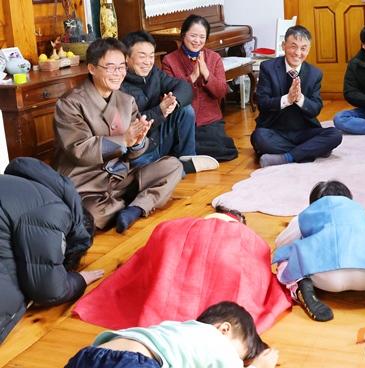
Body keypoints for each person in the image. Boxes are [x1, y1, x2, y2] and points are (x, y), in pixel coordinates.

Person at [72, 206, 291, 333]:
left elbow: (141, 263)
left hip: (159, 313)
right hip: (219, 321)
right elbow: (259, 279)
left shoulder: (169, 227)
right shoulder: (250, 239)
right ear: (240, 222)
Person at [54, 37, 182, 233]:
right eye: (110, 67)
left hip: (121, 177)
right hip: (87, 184)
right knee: (92, 216)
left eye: (122, 67)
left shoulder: (126, 100)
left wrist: (138, 143)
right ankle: (139, 202)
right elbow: (78, 149)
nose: (118, 74)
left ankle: (134, 209)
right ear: (92, 68)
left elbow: (134, 153)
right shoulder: (70, 103)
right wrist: (124, 140)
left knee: (173, 166)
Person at [273, 180, 365, 325]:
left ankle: (300, 286)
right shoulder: (363, 213)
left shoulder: (303, 216)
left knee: (283, 256)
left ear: (313, 202)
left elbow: (281, 243)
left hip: (322, 279)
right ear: (348, 199)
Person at [0, 157, 103, 344]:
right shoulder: (56, 212)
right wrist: (79, 280)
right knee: (17, 294)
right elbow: (48, 290)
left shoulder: (21, 186)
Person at [65, 301, 279, 368]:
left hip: (91, 354)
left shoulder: (178, 329)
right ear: (224, 329)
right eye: (239, 355)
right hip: (135, 363)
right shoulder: (217, 342)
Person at [120, 31, 216, 174]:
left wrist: (173, 102)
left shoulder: (154, 73)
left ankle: (186, 158)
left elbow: (183, 86)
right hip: (138, 153)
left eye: (151, 56)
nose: (148, 61)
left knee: (185, 110)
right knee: (149, 176)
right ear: (126, 58)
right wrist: (160, 110)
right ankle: (174, 169)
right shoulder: (118, 84)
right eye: (142, 56)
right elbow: (132, 125)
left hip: (158, 141)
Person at [250, 25, 343, 168]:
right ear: (283, 46)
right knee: (259, 138)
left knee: (335, 134)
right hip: (275, 131)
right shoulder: (268, 68)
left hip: (304, 132)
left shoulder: (314, 73)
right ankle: (311, 150)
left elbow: (315, 109)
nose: (298, 53)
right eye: (293, 46)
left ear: (308, 50)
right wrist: (287, 99)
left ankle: (286, 157)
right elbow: (262, 103)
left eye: (303, 48)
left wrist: (299, 98)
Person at [162, 14, 239, 162]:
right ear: (183, 35)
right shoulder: (169, 60)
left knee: (226, 150)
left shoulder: (213, 57)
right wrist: (192, 76)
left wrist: (206, 74)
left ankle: (185, 154)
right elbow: (170, 95)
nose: (197, 41)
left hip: (209, 120)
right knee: (184, 140)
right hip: (183, 121)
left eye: (202, 37)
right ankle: (187, 154)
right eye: (193, 36)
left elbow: (221, 92)